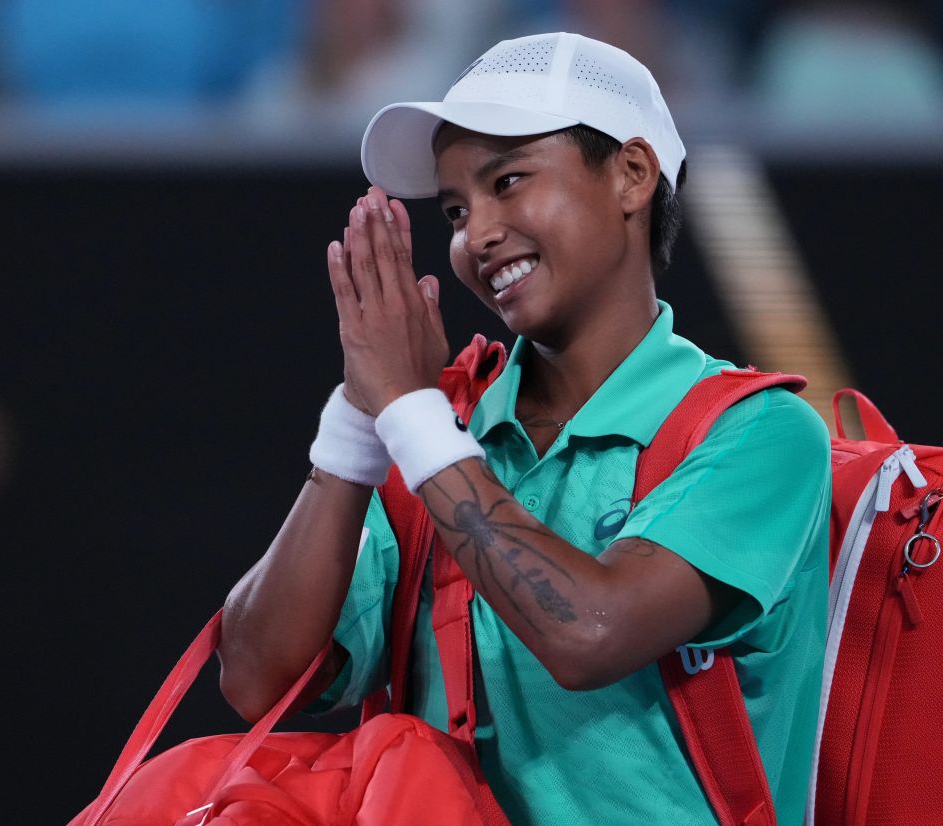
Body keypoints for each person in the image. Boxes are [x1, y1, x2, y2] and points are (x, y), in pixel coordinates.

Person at [217, 32, 830, 826]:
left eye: (508, 181)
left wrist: (409, 415)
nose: (478, 233)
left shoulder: (762, 433)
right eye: (455, 209)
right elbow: (256, 678)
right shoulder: (435, 437)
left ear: (633, 176)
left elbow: (590, 633)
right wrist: (359, 424)